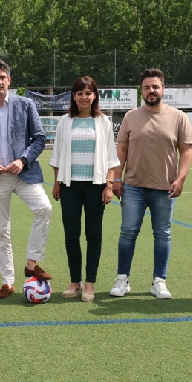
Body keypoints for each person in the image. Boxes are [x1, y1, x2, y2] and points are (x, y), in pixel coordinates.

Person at [0, 59, 53, 299]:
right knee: (1, 230)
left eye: (3, 77)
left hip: (23, 173)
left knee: (44, 208)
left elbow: (39, 139)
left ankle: (32, 263)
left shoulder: (26, 105)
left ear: (9, 80)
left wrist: (22, 160)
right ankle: (7, 282)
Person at [109, 68, 192, 300]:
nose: (151, 91)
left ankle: (159, 281)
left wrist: (181, 178)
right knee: (127, 233)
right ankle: (122, 279)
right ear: (141, 90)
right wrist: (117, 178)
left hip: (165, 187)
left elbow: (186, 151)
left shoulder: (178, 117)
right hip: (133, 185)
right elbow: (121, 149)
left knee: (163, 234)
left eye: (155, 86)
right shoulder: (130, 116)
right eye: (147, 87)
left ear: (163, 89)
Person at [49, 76, 120, 302]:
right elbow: (57, 155)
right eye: (79, 93)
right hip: (70, 185)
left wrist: (108, 185)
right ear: (73, 96)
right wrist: (57, 182)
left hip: (95, 186)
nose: (84, 97)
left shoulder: (104, 122)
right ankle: (74, 281)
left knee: (94, 235)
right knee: (71, 235)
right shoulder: (65, 122)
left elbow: (111, 158)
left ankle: (90, 283)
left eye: (88, 93)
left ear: (95, 96)